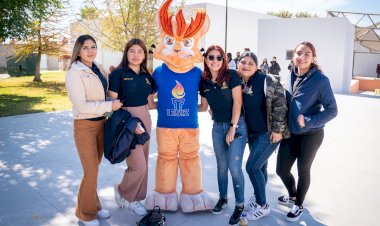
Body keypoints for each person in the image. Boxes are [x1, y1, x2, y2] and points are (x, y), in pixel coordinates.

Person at [276, 42, 338, 222]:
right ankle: (293, 195)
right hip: (290, 133)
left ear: (313, 58)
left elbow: (332, 110)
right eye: (299, 53)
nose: (302, 57)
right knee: (281, 170)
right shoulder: (290, 74)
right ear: (294, 55)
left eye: (307, 54)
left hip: (311, 134)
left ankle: (299, 204)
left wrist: (309, 121)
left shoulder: (321, 80)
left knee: (303, 170)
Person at [65, 34, 123, 226]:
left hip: (101, 125)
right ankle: (85, 214)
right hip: (85, 126)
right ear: (78, 51)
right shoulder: (75, 71)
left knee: (94, 171)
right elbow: (81, 106)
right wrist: (109, 106)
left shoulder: (97, 66)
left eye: (93, 46)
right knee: (89, 172)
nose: (90, 51)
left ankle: (95, 206)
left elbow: (104, 93)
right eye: (85, 48)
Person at [198, 45, 247, 225]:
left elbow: (238, 101)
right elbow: (204, 107)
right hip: (218, 127)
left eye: (219, 58)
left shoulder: (231, 75)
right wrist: (182, 111)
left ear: (224, 60)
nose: (215, 61)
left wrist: (233, 127)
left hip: (237, 126)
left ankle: (239, 205)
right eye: (211, 57)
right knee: (221, 167)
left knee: (234, 168)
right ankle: (223, 198)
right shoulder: (203, 81)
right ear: (206, 59)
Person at [107, 38, 156, 216]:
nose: (136, 55)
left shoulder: (147, 76)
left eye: (140, 51)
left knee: (144, 162)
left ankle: (137, 198)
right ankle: (125, 194)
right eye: (132, 51)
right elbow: (112, 102)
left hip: (146, 119)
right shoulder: (118, 74)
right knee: (138, 166)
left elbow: (151, 104)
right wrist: (131, 124)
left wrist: (176, 104)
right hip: (127, 121)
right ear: (126, 53)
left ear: (144, 55)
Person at [237, 51, 289, 221]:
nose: (246, 65)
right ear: (238, 64)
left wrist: (277, 130)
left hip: (268, 134)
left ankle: (262, 205)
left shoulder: (267, 80)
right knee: (261, 168)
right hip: (252, 134)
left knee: (252, 167)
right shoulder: (240, 82)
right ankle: (259, 198)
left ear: (257, 66)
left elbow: (280, 105)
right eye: (243, 62)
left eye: (251, 63)